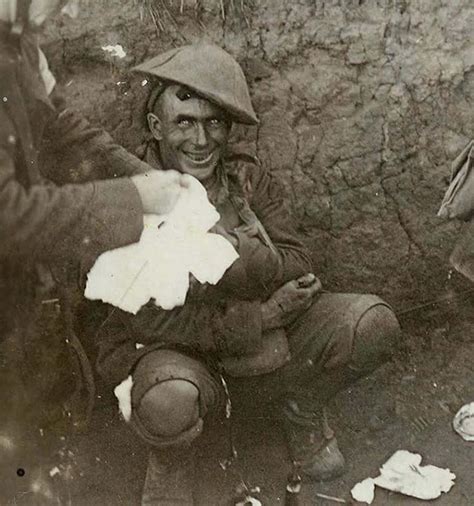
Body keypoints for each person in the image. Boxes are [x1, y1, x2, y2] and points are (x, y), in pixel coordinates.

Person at [96, 43, 401, 505]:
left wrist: (229, 250)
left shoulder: (245, 180)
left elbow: (299, 262)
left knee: (370, 323)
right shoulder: (129, 200)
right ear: (157, 128)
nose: (201, 141)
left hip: (263, 351)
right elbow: (144, 319)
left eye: (213, 122)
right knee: (168, 400)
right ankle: (173, 458)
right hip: (182, 358)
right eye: (184, 122)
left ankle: (301, 408)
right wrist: (262, 314)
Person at [0, 0, 188, 501]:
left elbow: (58, 127)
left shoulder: (15, 44)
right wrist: (133, 199)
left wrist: (139, 174)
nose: (75, 11)